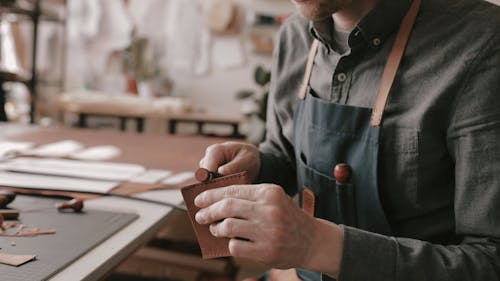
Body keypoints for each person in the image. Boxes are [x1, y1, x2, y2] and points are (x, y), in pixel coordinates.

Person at [195, 0, 500, 280]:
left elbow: (491, 262)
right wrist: (259, 164)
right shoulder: (295, 36)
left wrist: (316, 245)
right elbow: (286, 155)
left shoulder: (482, 42)